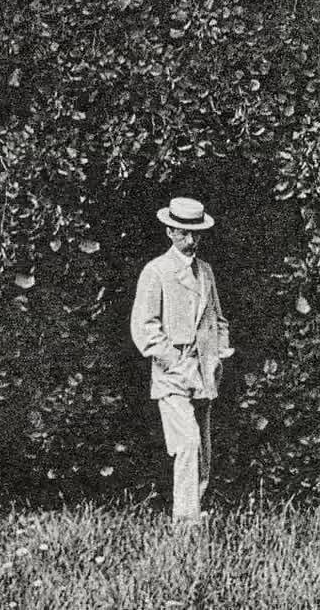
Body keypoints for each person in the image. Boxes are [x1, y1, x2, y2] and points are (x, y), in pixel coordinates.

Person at [129, 194, 232, 525]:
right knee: (186, 443)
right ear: (169, 231)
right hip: (173, 370)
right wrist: (175, 360)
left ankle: (195, 511)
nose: (191, 240)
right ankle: (185, 525)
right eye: (183, 233)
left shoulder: (206, 272)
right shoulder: (156, 271)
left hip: (205, 366)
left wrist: (219, 353)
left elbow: (218, 319)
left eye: (196, 233)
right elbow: (144, 329)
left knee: (202, 449)